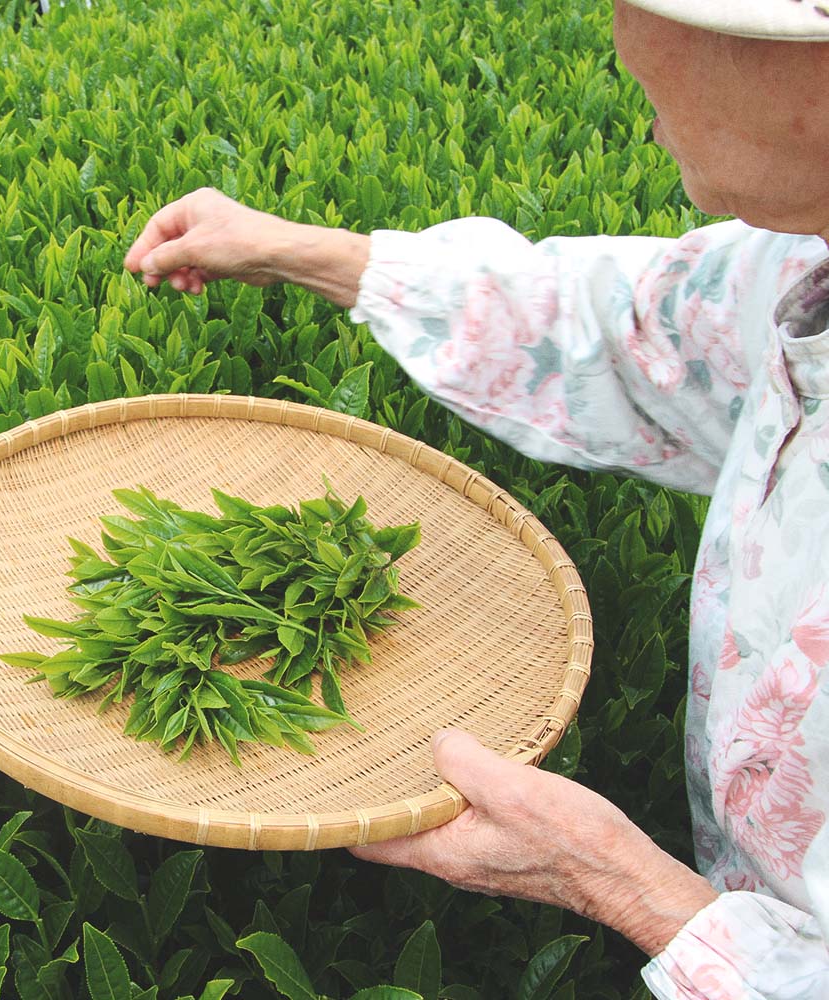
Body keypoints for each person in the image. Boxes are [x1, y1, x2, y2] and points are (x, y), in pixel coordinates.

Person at [123, 1, 829, 995]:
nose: (625, 43)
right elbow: (634, 333)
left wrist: (620, 884)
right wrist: (315, 253)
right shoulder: (803, 260)